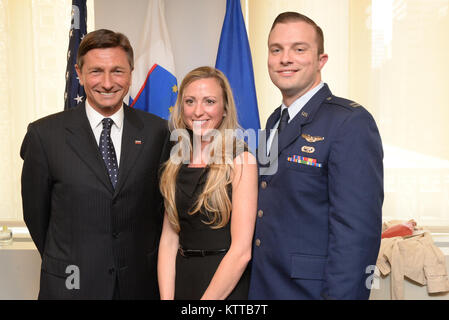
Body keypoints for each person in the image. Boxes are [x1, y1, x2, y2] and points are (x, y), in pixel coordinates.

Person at [20, 29, 169, 299]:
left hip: (138, 285)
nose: (108, 82)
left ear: (131, 73)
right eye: (96, 71)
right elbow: (36, 216)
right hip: (70, 285)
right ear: (79, 73)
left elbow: (159, 211)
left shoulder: (157, 132)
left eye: (118, 71)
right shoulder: (44, 135)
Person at [249, 12, 384, 300]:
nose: (285, 58)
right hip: (265, 286)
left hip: (311, 292)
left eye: (299, 49)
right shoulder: (274, 121)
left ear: (321, 60)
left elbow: (357, 237)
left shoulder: (350, 123)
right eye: (276, 49)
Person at [157, 66, 258, 300]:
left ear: (224, 109)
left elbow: (241, 251)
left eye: (209, 101)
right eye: (190, 101)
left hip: (223, 284)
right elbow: (169, 239)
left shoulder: (241, 159)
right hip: (182, 279)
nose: (198, 111)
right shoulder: (176, 161)